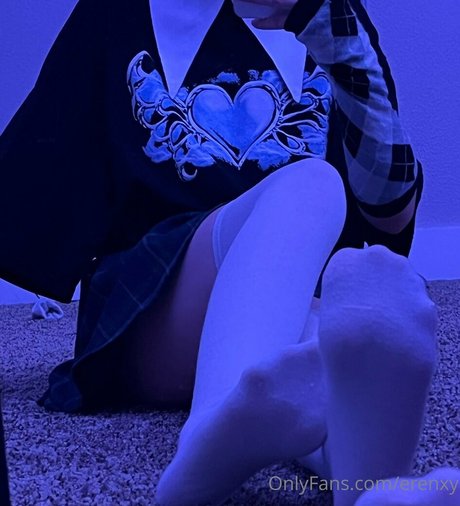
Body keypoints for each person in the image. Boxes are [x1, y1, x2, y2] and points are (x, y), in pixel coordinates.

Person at [0, 0, 456, 504]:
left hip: (294, 302)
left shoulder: (328, 13)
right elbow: (25, 192)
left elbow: (390, 214)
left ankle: (369, 487)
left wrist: (334, 34)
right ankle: (207, 434)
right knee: (312, 186)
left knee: (339, 338)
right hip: (155, 307)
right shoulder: (117, 13)